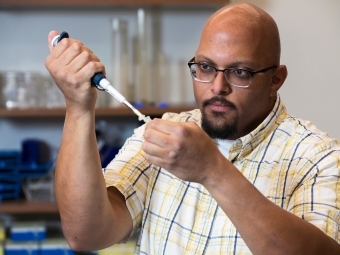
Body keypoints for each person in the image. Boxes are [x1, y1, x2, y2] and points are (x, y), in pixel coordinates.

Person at [45, 2, 340, 254]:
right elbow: (85, 234)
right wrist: (79, 107)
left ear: (275, 79)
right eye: (206, 67)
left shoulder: (319, 156)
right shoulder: (165, 133)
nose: (217, 87)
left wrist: (214, 172)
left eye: (239, 72)